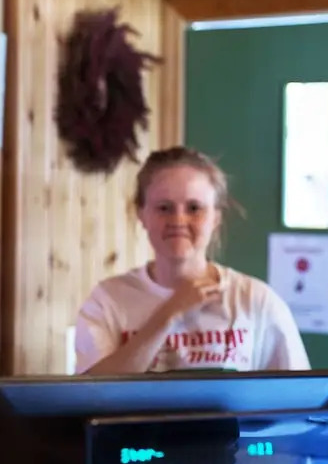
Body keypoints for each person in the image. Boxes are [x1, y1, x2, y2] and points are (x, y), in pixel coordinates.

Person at [75, 145, 310, 375]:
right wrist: (169, 315)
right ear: (141, 214)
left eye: (194, 208)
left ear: (216, 217)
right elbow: (93, 393)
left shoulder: (256, 300)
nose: (178, 220)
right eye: (164, 208)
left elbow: (299, 395)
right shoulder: (107, 300)